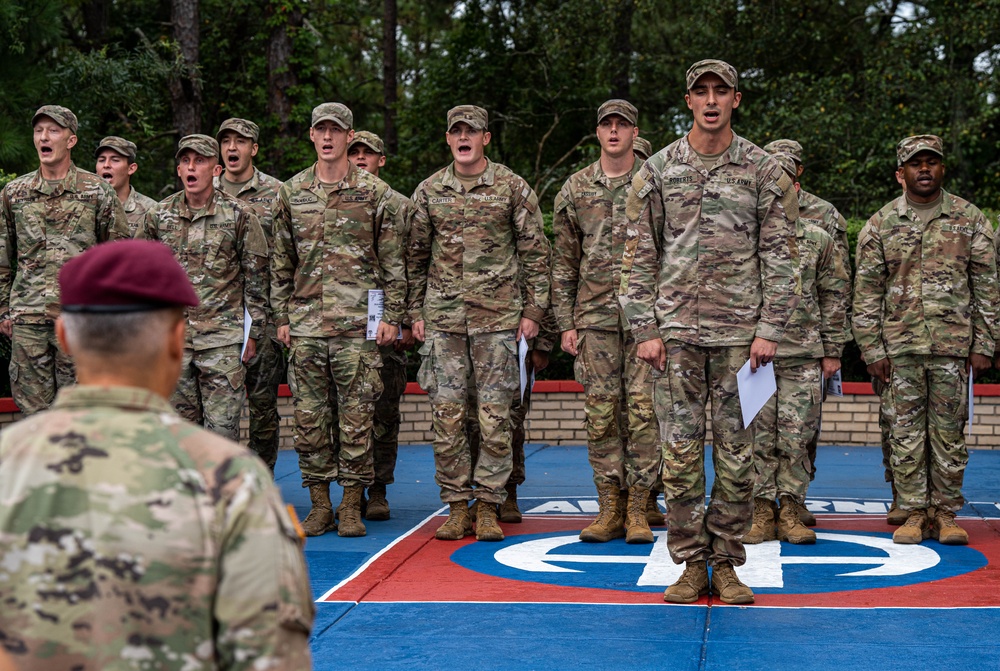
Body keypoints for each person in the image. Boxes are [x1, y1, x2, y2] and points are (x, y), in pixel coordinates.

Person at [0, 239, 313, 670]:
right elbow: (271, 656)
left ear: (63, 337)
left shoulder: (7, 463)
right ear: (176, 339)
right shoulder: (228, 478)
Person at [619, 60, 799, 604]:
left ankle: (726, 562)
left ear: (736, 100)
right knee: (677, 453)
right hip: (673, 340)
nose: (712, 99)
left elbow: (781, 256)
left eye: (722, 90)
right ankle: (691, 562)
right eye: (702, 91)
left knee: (738, 456)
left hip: (742, 343)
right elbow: (635, 255)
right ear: (689, 100)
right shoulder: (657, 171)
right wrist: (645, 328)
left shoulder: (765, 172)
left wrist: (770, 328)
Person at [408, 104, 550, 542]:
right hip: (445, 325)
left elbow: (536, 254)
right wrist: (415, 313)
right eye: (456, 132)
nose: (464, 138)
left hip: (498, 323)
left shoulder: (511, 187)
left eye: (472, 131)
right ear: (449, 139)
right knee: (447, 416)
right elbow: (413, 257)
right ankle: (456, 505)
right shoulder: (429, 191)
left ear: (486, 138)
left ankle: (488, 505)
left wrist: (533, 313)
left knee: (495, 418)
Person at [853, 135, 998, 545]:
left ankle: (946, 513)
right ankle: (914, 511)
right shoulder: (881, 224)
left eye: (931, 162)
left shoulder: (969, 220)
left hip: (953, 349)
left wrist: (984, 344)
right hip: (899, 350)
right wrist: (871, 348)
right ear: (901, 173)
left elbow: (986, 286)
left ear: (941, 169)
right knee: (905, 432)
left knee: (948, 432)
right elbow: (866, 293)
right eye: (915, 163)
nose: (924, 169)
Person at [272, 103, 406, 538]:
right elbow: (280, 261)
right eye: (320, 130)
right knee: (309, 418)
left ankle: (351, 504)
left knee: (357, 417)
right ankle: (319, 504)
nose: (328, 137)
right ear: (311, 136)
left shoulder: (374, 193)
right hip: (307, 324)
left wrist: (391, 316)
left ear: (350, 137)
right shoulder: (291, 193)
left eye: (336, 130)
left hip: (358, 327)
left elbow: (392, 261)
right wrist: (282, 316)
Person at [552, 99, 661, 544]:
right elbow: (563, 262)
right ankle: (608, 507)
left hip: (646, 323)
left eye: (623, 125)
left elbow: (675, 251)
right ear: (597, 133)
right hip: (594, 319)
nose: (614, 131)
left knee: (643, 414)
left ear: (635, 132)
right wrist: (565, 322)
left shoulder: (656, 184)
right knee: (600, 417)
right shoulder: (575, 189)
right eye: (607, 125)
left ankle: (638, 507)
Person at [744, 151, 850, 545]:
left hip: (804, 354)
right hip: (756, 357)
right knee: (757, 438)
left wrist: (833, 350)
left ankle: (790, 511)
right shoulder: (746, 239)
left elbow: (835, 296)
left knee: (796, 438)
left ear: (798, 190)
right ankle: (760, 511)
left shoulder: (819, 239)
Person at [138, 134, 269, 441]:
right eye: (185, 161)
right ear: (179, 170)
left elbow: (257, 279)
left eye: (200, 160)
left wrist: (254, 335)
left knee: (222, 433)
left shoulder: (240, 215)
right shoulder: (158, 215)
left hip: (223, 341)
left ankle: (220, 489)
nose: (191, 167)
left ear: (216, 169)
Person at [0, 105, 129, 415]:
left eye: (53, 131)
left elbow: (117, 257)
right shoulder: (14, 193)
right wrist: (4, 307)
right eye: (39, 131)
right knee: (35, 419)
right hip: (28, 320)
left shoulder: (96, 191)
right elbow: (3, 255)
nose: (44, 137)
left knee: (81, 415)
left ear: (71, 140)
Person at [347, 129, 414, 520]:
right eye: (353, 152)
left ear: (381, 160)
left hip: (386, 329)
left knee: (384, 412)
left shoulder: (400, 206)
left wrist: (403, 322)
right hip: (345, 325)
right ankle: (349, 491)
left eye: (367, 154)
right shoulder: (338, 200)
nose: (359, 159)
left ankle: (378, 490)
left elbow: (411, 267)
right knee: (347, 415)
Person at [214, 117, 286, 471]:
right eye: (226, 141)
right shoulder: (202, 191)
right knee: (216, 409)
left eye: (240, 141)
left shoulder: (277, 192)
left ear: (253, 148)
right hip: (214, 317)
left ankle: (261, 478)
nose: (232, 148)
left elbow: (291, 254)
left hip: (262, 317)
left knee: (262, 405)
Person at [94, 135, 158, 235]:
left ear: (131, 168)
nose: (106, 165)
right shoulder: (83, 205)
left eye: (115, 160)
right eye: (101, 160)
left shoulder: (151, 210)